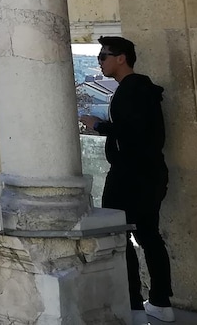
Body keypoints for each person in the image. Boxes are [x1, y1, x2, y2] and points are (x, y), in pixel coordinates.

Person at [80, 37, 173, 324]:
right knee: (148, 234)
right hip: (149, 172)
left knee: (117, 234)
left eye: (104, 56)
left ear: (121, 58)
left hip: (129, 175)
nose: (100, 62)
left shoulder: (131, 91)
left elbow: (131, 132)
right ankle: (159, 301)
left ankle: (131, 301)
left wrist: (98, 125)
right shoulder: (142, 89)